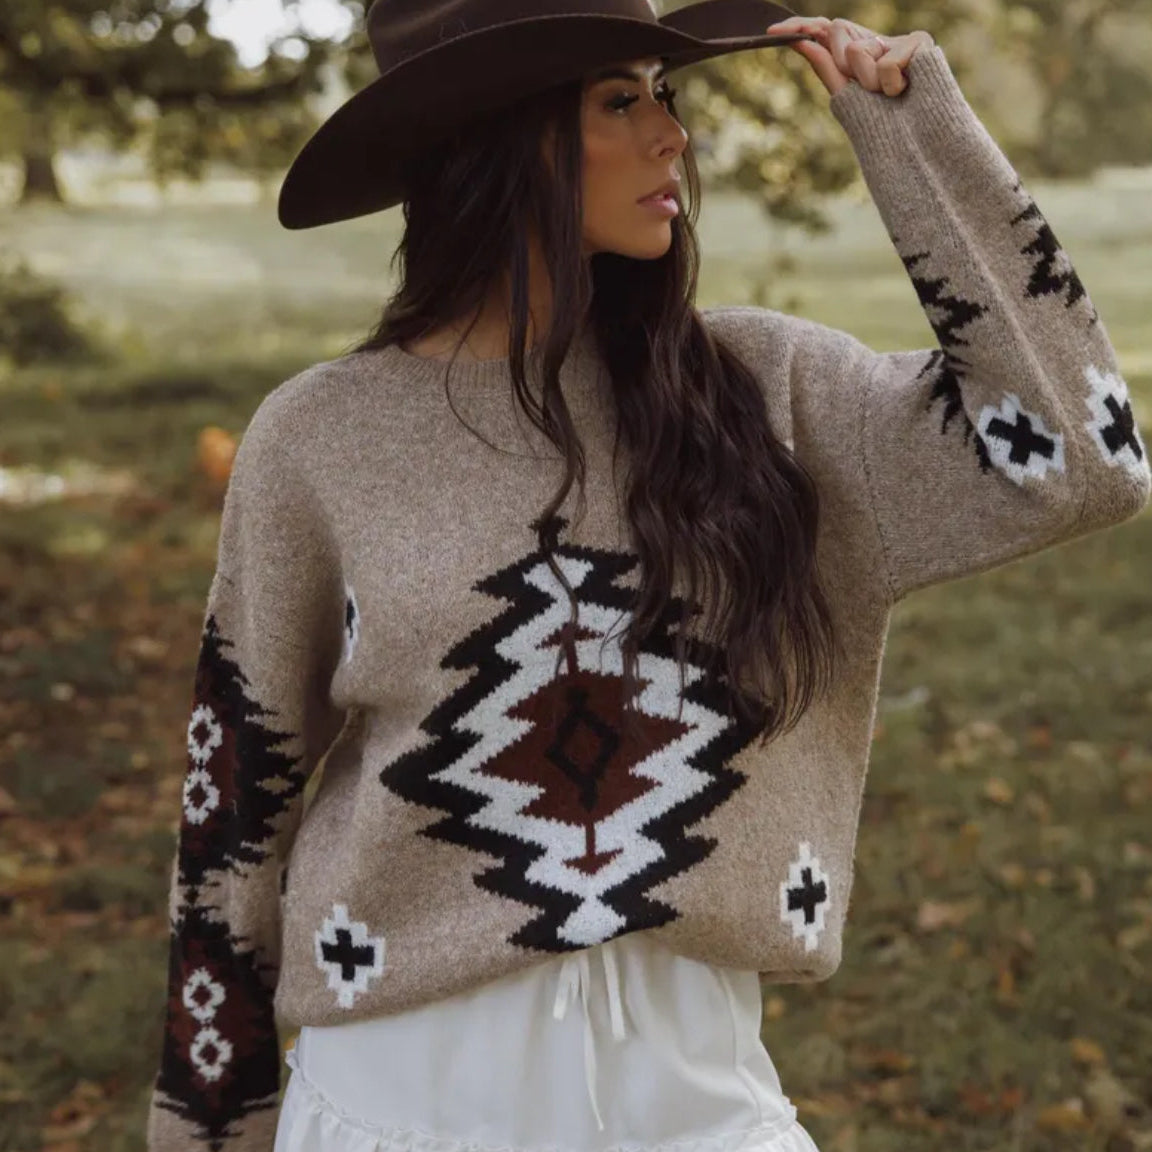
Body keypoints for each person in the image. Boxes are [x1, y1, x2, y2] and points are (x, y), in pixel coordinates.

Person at [145, 1, 1151, 1150]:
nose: (674, 137)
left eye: (664, 94)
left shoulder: (765, 397)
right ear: (494, 136)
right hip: (398, 1104)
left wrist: (913, 133)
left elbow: (1087, 461)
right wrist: (209, 1128)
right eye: (620, 101)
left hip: (703, 1104)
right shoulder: (319, 439)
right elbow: (231, 815)